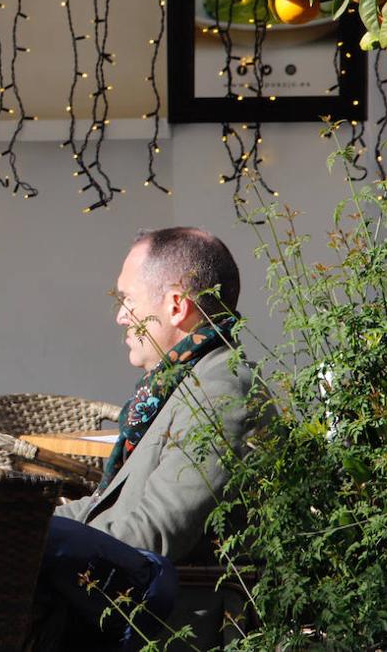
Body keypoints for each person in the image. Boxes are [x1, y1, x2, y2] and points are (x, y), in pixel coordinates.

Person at [41, 226, 257, 649]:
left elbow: (157, 531)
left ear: (176, 306)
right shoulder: (186, 383)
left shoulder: (221, 390)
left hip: (178, 626)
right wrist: (20, 525)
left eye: (128, 301)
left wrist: (39, 543)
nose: (121, 316)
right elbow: (114, 506)